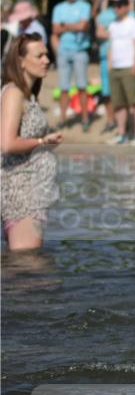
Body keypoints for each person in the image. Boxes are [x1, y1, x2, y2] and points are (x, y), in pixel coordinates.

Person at [1, 33, 62, 250]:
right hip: (21, 193)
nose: (47, 60)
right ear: (21, 61)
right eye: (40, 56)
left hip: (32, 192)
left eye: (47, 54)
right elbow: (7, 144)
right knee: (27, 267)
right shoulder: (14, 93)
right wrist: (42, 140)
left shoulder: (27, 95)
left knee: (29, 268)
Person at [51, 0, 93, 128]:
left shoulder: (85, 6)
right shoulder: (58, 8)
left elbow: (83, 26)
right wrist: (73, 26)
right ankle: (63, 118)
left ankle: (85, 117)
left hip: (80, 51)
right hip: (64, 51)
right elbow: (55, 29)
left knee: (82, 86)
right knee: (64, 87)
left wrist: (65, 26)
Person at [106, 0, 135, 146]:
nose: (116, 8)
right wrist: (109, 65)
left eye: (119, 5)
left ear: (126, 6)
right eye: (114, 5)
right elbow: (111, 45)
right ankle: (121, 133)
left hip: (128, 66)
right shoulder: (112, 25)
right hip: (115, 68)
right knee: (118, 103)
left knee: (134, 101)